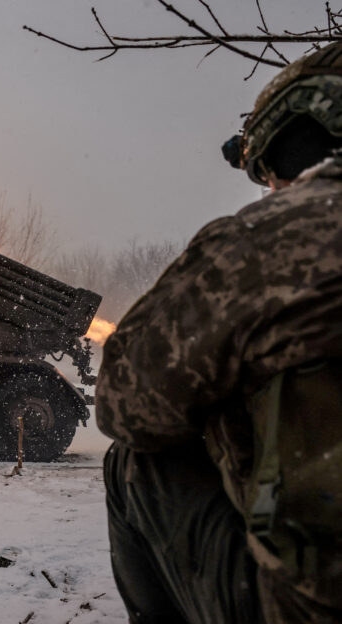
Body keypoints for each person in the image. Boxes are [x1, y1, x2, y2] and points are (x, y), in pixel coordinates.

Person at [95, 42, 342, 623]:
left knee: (135, 460)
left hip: (311, 610)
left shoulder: (267, 241)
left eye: (268, 173)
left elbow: (126, 405)